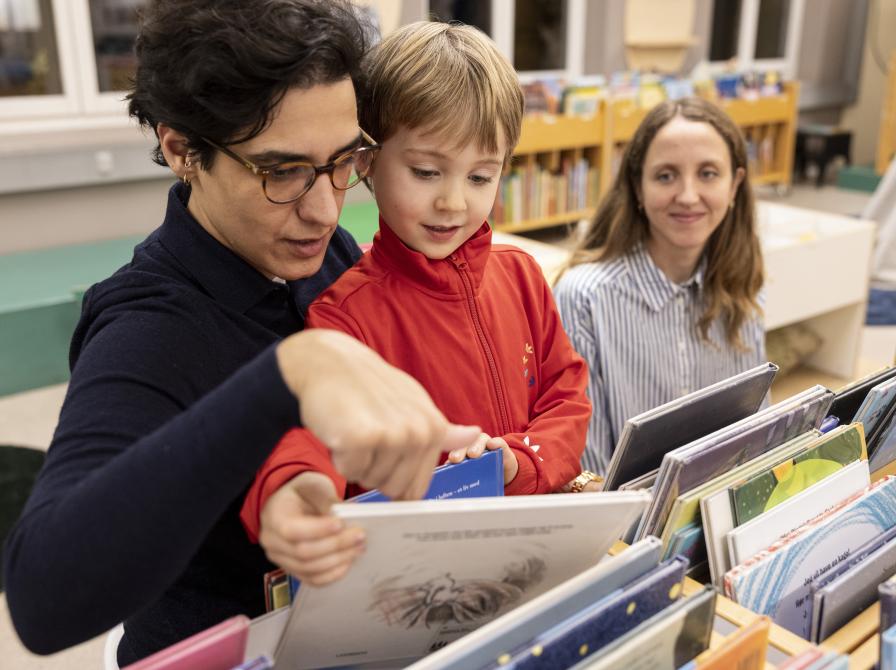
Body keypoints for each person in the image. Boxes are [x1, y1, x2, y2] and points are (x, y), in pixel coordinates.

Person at [2, 1, 483, 664]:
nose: (322, 209)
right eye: (280, 172)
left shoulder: (331, 255)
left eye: (344, 161)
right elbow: (41, 601)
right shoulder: (145, 326)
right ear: (182, 150)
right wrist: (289, 373)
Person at [239, 21, 594, 585]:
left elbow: (567, 394)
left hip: (535, 554)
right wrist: (289, 488)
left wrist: (520, 461)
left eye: (481, 175)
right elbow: (311, 435)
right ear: (366, 162)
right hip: (422, 585)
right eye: (426, 172)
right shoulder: (343, 315)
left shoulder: (522, 276)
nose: (453, 201)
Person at [553, 97, 765, 477]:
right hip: (629, 527)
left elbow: (759, 437)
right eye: (666, 176)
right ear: (637, 186)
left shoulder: (743, 289)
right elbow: (588, 472)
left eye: (708, 174)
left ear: (734, 185)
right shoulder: (584, 298)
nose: (687, 195)